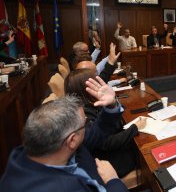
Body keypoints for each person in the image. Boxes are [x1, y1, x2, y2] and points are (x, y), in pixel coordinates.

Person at [0, 82, 129, 191]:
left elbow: (97, 132)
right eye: (85, 123)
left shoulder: (48, 144)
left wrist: (111, 105)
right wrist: (113, 181)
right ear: (72, 140)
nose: (88, 125)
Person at [65, 69, 146, 178]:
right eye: (95, 80)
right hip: (108, 161)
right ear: (87, 88)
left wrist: (112, 104)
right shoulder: (82, 114)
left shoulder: (88, 103)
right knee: (144, 148)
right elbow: (106, 143)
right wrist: (134, 128)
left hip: (108, 151)